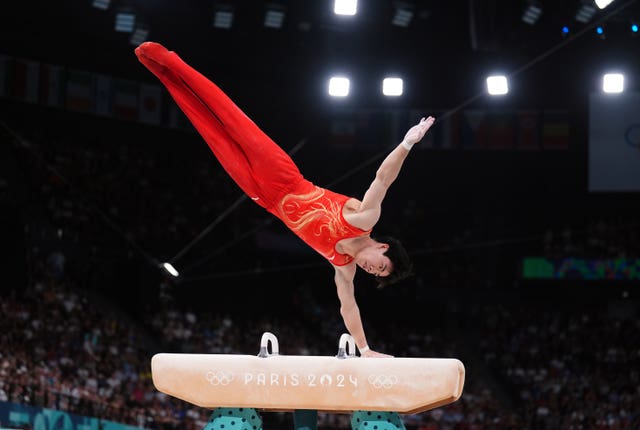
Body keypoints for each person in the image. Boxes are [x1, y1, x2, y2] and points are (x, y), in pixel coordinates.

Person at [135, 42, 435, 358]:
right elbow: (382, 179)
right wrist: (406, 144)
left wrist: (365, 349)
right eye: (379, 266)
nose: (371, 270)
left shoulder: (343, 266)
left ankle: (163, 74)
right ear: (382, 247)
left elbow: (348, 306)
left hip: (264, 198)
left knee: (211, 131)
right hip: (282, 177)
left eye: (375, 275)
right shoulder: (363, 219)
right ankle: (171, 60)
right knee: (227, 115)